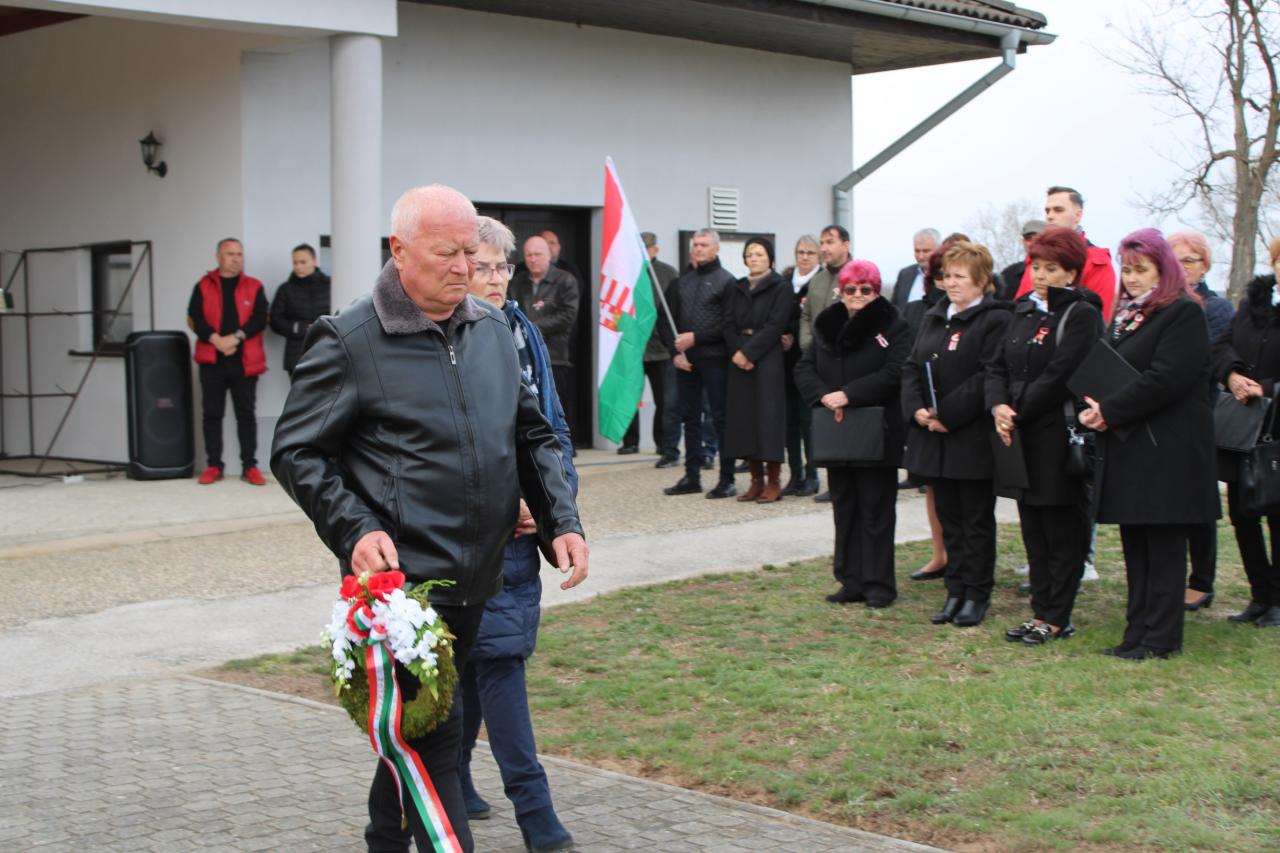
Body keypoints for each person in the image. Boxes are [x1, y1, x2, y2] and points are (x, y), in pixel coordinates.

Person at [271, 185, 587, 853]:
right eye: (448, 253)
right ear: (399, 250)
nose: (465, 267)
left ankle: (383, 838)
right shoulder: (349, 340)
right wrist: (356, 527)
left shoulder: (492, 329)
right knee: (437, 740)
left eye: (472, 252)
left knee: (417, 729)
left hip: (480, 575)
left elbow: (531, 434)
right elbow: (297, 451)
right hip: (403, 588)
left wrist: (562, 519)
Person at [457, 216, 577, 852]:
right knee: (495, 659)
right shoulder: (447, 337)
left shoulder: (522, 329)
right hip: (473, 535)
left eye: (503, 266)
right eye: (483, 266)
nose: (496, 278)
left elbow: (551, 428)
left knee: (485, 657)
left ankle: (447, 775)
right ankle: (536, 813)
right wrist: (507, 502)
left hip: (524, 532)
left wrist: (558, 510)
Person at [1079, 228, 1218, 660]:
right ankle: (1136, 631)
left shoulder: (1183, 313)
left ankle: (1161, 638)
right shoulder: (1127, 315)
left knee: (1163, 546)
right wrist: (1094, 406)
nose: (1132, 278)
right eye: (1127, 269)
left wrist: (1110, 410)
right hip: (1132, 444)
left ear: (1164, 270)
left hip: (1169, 450)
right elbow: (1108, 366)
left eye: (1141, 269)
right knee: (1137, 544)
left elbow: (1166, 379)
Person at [987, 227, 1103, 645]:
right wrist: (998, 406)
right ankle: (1040, 611)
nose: (1041, 275)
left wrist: (1018, 412)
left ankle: (1058, 615)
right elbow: (996, 365)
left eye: (1051, 269)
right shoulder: (1022, 309)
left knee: (1061, 529)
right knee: (1033, 525)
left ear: (1070, 273)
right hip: (1019, 433)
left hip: (1056, 433)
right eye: (1036, 266)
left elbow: (1061, 374)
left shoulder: (1081, 312)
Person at [901, 241, 1012, 628]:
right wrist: (917, 409)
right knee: (949, 517)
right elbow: (911, 365)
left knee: (975, 521)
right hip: (934, 436)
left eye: (960, 276)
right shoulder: (935, 316)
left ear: (981, 281)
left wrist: (948, 414)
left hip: (970, 436)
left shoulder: (995, 319)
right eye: (947, 276)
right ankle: (955, 590)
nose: (951, 283)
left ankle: (976, 594)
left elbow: (988, 374)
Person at [795, 259, 910, 607]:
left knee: (876, 511)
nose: (857, 295)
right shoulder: (826, 324)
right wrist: (824, 396)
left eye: (865, 289)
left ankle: (879, 585)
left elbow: (895, 371)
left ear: (876, 291)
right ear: (840, 291)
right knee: (844, 508)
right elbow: (804, 367)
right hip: (838, 429)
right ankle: (850, 580)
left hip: (876, 430)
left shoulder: (894, 324)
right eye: (851, 289)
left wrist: (850, 394)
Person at [1210, 235, 1280, 628]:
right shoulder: (1253, 304)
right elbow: (1221, 346)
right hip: (1243, 427)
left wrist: (1265, 388)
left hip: (1277, 427)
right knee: (1242, 513)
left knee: (1278, 517)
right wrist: (1233, 375)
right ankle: (1260, 595)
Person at [1167, 229, 1234, 612]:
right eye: (1175, 261)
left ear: (1204, 266)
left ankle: (1201, 581)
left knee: (1198, 502)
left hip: (1199, 417)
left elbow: (1203, 361)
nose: (1182, 268)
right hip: (1164, 420)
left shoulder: (1216, 308)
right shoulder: (1165, 304)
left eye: (1189, 261)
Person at [660, 229, 738, 499]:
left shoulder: (727, 282)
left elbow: (729, 324)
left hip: (716, 361)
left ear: (716, 248)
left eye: (704, 245)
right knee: (689, 419)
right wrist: (675, 351)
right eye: (695, 245)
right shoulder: (681, 282)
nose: (698, 249)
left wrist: (696, 338)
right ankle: (691, 476)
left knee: (719, 418)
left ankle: (727, 479)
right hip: (686, 363)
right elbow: (665, 320)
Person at [186, 237, 269, 486]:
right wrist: (216, 340)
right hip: (212, 360)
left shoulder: (254, 286)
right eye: (231, 254)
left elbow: (260, 318)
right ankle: (214, 465)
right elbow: (195, 317)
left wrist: (235, 338)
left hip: (244, 361)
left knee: (246, 414)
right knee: (212, 414)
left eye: (239, 254)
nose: (236, 259)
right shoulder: (204, 285)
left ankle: (250, 466)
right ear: (218, 257)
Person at [722, 238, 792, 503]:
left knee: (768, 418)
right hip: (739, 356)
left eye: (760, 254)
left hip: (767, 358)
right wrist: (738, 352)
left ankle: (773, 481)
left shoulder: (781, 287)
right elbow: (727, 323)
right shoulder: (736, 287)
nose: (754, 258)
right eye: (749, 254)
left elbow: (776, 324)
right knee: (745, 420)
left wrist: (750, 353)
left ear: (770, 259)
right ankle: (755, 481)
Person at [510, 235, 580, 440]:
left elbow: (567, 315)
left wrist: (530, 328)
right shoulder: (517, 282)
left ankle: (563, 445)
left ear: (549, 255)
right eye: (528, 255)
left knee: (557, 405)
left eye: (538, 254)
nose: (533, 259)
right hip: (522, 356)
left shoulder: (565, 280)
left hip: (555, 355)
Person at [1015, 186, 1118, 321]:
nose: (1050, 216)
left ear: (1078, 215)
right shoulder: (1037, 256)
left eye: (1058, 210)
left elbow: (1097, 321)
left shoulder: (1096, 262)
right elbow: (1019, 310)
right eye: (1047, 211)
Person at [622, 232, 678, 457]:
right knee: (630, 396)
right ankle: (630, 441)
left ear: (656, 249)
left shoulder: (668, 273)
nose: (643, 252)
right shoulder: (626, 271)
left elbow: (673, 307)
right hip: (632, 346)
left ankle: (663, 442)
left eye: (646, 248)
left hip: (660, 348)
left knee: (663, 399)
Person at [779, 235, 822, 496]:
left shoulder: (820, 282)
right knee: (790, 422)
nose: (804, 257)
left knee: (808, 421)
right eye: (800, 252)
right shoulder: (785, 282)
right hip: (785, 362)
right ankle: (795, 473)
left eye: (810, 252)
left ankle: (812, 473)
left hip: (809, 361)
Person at [268, 243, 331, 377]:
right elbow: (275, 320)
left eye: (303, 262)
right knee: (300, 391)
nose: (298, 266)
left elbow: (341, 314)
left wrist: (323, 327)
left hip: (328, 352)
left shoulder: (330, 285)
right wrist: (299, 328)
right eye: (295, 263)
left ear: (314, 261)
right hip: (297, 356)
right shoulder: (285, 289)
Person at [798, 224, 851, 355]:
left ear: (845, 245)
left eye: (830, 242)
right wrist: (807, 345)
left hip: (844, 356)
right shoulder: (817, 280)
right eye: (822, 243)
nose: (823, 248)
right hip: (814, 356)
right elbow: (806, 315)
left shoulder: (858, 278)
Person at [889, 228, 940, 312]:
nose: (921, 256)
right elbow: (893, 308)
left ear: (938, 250)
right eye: (917, 251)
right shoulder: (904, 274)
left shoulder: (944, 277)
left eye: (926, 251)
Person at [997, 220, 1046, 301]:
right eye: (1028, 239)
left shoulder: (1059, 272)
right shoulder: (1009, 274)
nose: (1032, 243)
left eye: (1037, 238)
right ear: (1023, 241)